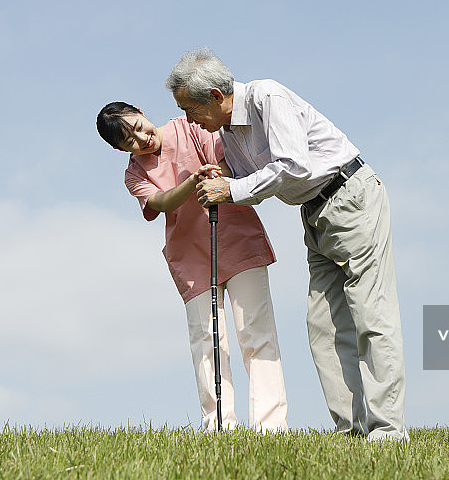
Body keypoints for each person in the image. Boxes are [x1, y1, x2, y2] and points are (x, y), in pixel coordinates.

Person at [165, 49, 408, 441]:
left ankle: (388, 432)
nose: (189, 119)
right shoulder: (227, 134)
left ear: (214, 95)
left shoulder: (267, 98)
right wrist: (223, 173)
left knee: (371, 317)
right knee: (323, 327)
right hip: (313, 214)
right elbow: (252, 181)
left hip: (350, 197)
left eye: (189, 109)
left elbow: (293, 165)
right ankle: (353, 431)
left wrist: (231, 187)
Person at [96, 102, 288, 432]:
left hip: (238, 239)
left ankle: (270, 428)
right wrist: (193, 181)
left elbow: (228, 164)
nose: (142, 139)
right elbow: (160, 201)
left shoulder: (190, 127)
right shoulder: (134, 174)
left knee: (256, 335)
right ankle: (219, 427)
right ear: (118, 149)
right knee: (208, 343)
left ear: (141, 112)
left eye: (139, 126)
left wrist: (217, 172)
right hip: (191, 259)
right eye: (130, 141)